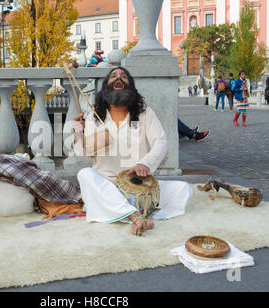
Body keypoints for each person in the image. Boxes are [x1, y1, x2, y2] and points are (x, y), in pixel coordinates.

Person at [72, 67, 191, 236]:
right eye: (113, 76)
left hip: (139, 187)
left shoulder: (145, 114)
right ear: (106, 86)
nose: (118, 78)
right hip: (107, 185)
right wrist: (78, 133)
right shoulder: (93, 118)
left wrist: (145, 163)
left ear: (131, 86)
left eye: (123, 76)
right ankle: (135, 216)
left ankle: (119, 212)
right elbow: (85, 156)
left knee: (183, 189)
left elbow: (161, 142)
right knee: (85, 174)